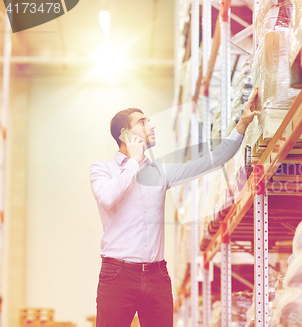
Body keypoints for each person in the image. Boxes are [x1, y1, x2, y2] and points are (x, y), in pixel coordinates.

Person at [90, 89, 259, 327]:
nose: (151, 125)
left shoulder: (161, 172)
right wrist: (133, 163)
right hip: (117, 275)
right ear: (125, 133)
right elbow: (107, 198)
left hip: (156, 275)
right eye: (143, 121)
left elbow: (211, 161)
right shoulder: (102, 169)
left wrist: (242, 124)